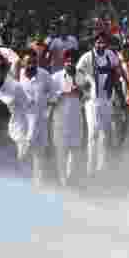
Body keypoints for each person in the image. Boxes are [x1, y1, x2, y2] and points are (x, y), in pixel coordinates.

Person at [77, 32, 121, 178]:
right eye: (98, 42)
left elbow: (117, 71)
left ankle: (102, 167)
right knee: (93, 133)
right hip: (92, 101)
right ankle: (90, 169)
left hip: (107, 99)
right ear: (94, 43)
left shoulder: (110, 55)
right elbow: (77, 73)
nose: (101, 45)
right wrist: (84, 89)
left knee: (105, 133)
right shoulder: (87, 57)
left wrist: (117, 91)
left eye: (104, 43)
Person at [14, 48, 53, 186]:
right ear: (23, 63)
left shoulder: (44, 75)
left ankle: (39, 184)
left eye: (34, 62)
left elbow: (52, 92)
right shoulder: (17, 75)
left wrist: (44, 102)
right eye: (28, 62)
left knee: (39, 155)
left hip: (40, 120)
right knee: (23, 153)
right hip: (23, 121)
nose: (31, 65)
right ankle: (21, 183)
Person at [49, 49, 85, 186]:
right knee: (61, 151)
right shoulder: (56, 77)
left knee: (75, 151)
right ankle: (62, 181)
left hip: (76, 119)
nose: (70, 63)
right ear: (64, 62)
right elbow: (50, 98)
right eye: (67, 61)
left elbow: (88, 97)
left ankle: (71, 179)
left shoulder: (81, 77)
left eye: (72, 61)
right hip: (60, 120)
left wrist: (79, 91)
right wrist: (63, 92)